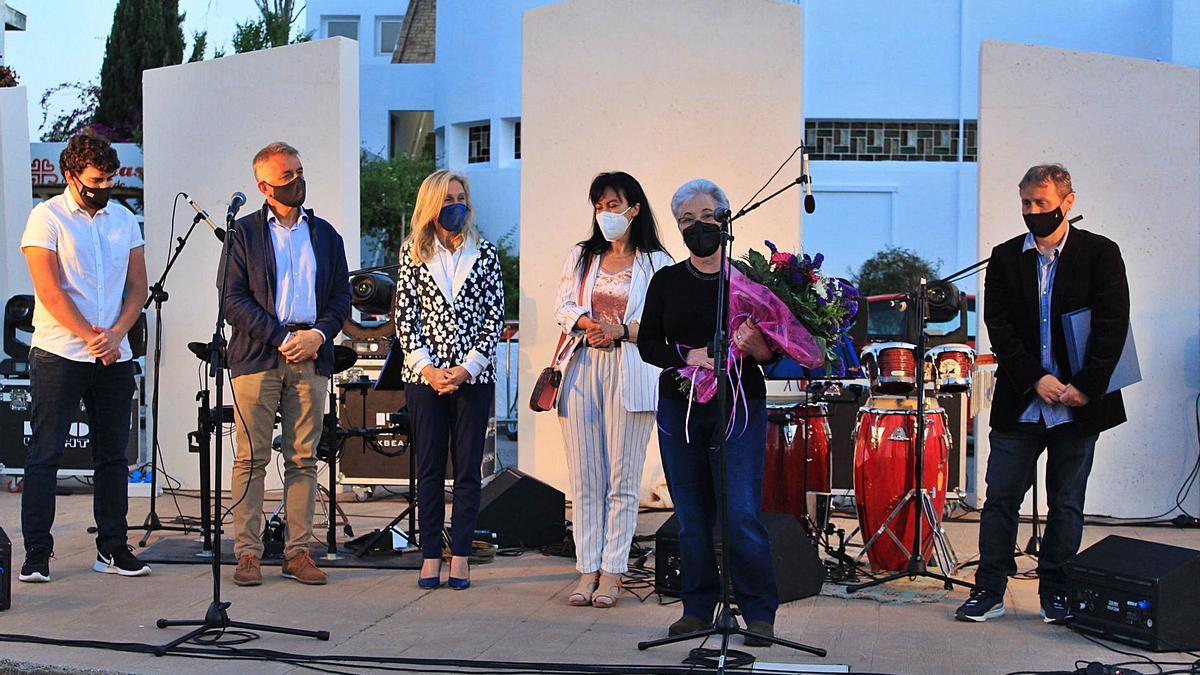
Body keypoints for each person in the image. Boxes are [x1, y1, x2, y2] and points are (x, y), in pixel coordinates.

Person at [955, 164, 1130, 625]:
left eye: (1043, 204)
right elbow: (1001, 328)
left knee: (1066, 502)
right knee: (1000, 498)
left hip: (1079, 403)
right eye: (1027, 204)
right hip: (1023, 400)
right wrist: (1036, 378)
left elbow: (1112, 327)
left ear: (1067, 202)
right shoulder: (1006, 256)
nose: (1033, 212)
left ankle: (1056, 589)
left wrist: (1085, 387)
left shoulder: (1100, 254)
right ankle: (989, 589)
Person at [638, 179, 780, 646]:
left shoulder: (747, 281)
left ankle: (759, 612)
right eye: (686, 220)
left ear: (724, 220)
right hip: (680, 408)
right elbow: (648, 344)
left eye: (705, 217)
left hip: (739, 405)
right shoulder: (667, 281)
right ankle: (697, 608)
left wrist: (754, 345)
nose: (697, 227)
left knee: (739, 512)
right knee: (692, 514)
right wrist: (689, 355)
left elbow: (773, 355)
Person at [18, 131, 151, 583]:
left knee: (113, 456)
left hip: (114, 354)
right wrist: (90, 337)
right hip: (59, 353)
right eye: (96, 179)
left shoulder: (124, 219)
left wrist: (116, 334)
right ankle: (37, 552)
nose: (104, 186)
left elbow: (138, 287)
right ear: (71, 175)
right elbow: (48, 288)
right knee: (45, 454)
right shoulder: (46, 217)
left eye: (111, 178)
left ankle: (112, 548)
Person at [223, 142, 351, 587]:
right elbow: (231, 300)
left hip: (312, 355)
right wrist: (279, 337)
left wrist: (317, 335)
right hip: (260, 355)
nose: (297, 181)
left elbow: (341, 296)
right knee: (251, 459)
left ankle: (298, 553)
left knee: (302, 459)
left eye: (299, 171)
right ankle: (248, 555)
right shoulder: (243, 234)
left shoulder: (325, 235)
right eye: (286, 176)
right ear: (264, 186)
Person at [553, 172, 673, 608]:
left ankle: (613, 571)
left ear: (634, 209)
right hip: (583, 364)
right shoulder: (582, 256)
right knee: (586, 477)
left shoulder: (657, 262)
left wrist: (619, 330)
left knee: (623, 481)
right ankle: (586, 569)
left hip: (632, 368)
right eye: (599, 206)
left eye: (613, 205)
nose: (605, 213)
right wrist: (590, 325)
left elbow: (664, 326)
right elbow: (563, 305)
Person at [394, 170, 504, 590]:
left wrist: (466, 368)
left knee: (468, 471)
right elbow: (405, 316)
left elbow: (493, 317)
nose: (455, 205)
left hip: (473, 378)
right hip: (424, 378)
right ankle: (428, 555)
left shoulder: (486, 253)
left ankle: (460, 554)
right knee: (429, 469)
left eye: (460, 197)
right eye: (446, 199)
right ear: (431, 206)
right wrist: (427, 368)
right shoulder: (412, 254)